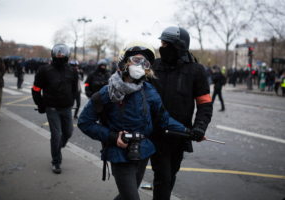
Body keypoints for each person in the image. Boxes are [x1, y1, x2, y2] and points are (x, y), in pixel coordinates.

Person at [78, 41, 196, 200]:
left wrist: (188, 131)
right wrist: (113, 137)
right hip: (119, 154)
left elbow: (164, 119)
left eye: (145, 63)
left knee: (126, 196)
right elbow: (84, 122)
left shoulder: (149, 90)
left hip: (143, 151)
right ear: (124, 61)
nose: (140, 65)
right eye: (136, 60)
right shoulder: (107, 93)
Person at [148, 26, 213, 200]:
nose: (161, 47)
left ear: (178, 46)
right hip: (156, 133)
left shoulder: (197, 70)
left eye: (164, 43)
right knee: (162, 177)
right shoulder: (153, 66)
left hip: (180, 134)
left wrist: (200, 126)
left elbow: (205, 104)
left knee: (171, 175)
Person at [32, 44, 78, 174]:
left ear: (67, 56)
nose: (60, 56)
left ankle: (58, 147)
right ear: (53, 55)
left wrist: (71, 100)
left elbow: (75, 89)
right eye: (58, 54)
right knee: (56, 135)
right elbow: (36, 89)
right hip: (51, 107)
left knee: (68, 132)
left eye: (62, 54)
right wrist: (41, 105)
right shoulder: (44, 70)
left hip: (66, 108)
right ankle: (56, 161)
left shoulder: (72, 71)